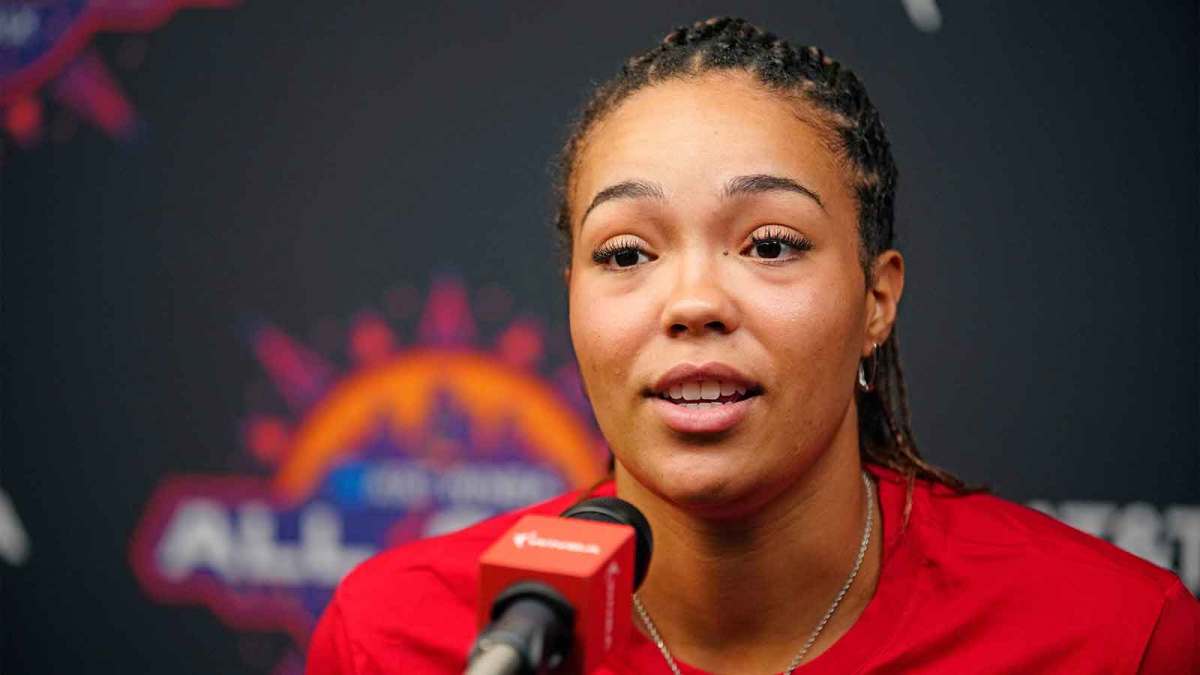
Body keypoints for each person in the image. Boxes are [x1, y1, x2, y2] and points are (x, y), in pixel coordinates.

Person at [306, 16, 1199, 674]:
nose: (693, 302)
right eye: (626, 253)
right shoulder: (400, 636)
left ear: (876, 297)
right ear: (573, 298)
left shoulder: (1118, 636)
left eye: (769, 244)